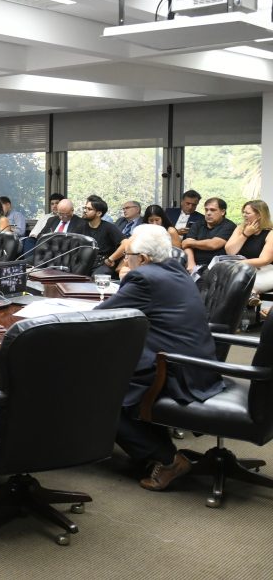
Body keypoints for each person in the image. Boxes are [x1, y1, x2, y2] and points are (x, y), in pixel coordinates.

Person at [96, 224, 225, 491]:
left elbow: (99, 317)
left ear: (143, 258)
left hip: (175, 368)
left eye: (127, 255)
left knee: (96, 389)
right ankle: (154, 450)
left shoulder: (144, 278)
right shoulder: (174, 268)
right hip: (198, 363)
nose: (124, 260)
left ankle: (167, 459)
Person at [104, 204, 182, 277]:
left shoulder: (171, 231)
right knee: (121, 270)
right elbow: (129, 244)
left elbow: (176, 255)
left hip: (162, 266)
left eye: (157, 220)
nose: (154, 223)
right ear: (146, 221)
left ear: (162, 219)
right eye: (151, 220)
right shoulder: (143, 231)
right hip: (141, 263)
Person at [225, 199, 273, 294]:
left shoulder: (270, 233)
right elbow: (230, 251)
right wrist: (245, 234)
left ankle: (251, 299)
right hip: (243, 269)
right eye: (243, 212)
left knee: (242, 286)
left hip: (266, 270)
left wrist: (238, 264)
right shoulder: (240, 228)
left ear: (259, 215)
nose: (244, 215)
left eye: (247, 213)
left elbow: (265, 260)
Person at [182, 197, 236, 273]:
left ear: (223, 212)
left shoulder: (229, 226)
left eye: (212, 210)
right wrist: (191, 265)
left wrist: (191, 243)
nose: (208, 213)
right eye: (206, 210)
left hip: (217, 268)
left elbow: (213, 244)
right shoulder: (198, 224)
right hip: (194, 266)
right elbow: (186, 246)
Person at [82, 198, 124, 276]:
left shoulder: (109, 227)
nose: (85, 211)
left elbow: (126, 244)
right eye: (85, 208)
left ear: (99, 213)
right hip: (84, 262)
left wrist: (111, 259)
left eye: (89, 209)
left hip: (102, 264)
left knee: (97, 277)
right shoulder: (80, 226)